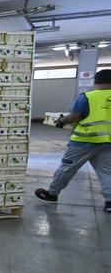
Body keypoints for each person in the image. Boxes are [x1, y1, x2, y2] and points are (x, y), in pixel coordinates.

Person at [35, 68, 111, 212]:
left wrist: (61, 121)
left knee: (67, 168)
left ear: (96, 81)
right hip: (108, 142)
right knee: (107, 172)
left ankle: (52, 194)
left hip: (84, 142)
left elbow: (74, 116)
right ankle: (110, 202)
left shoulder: (88, 97)